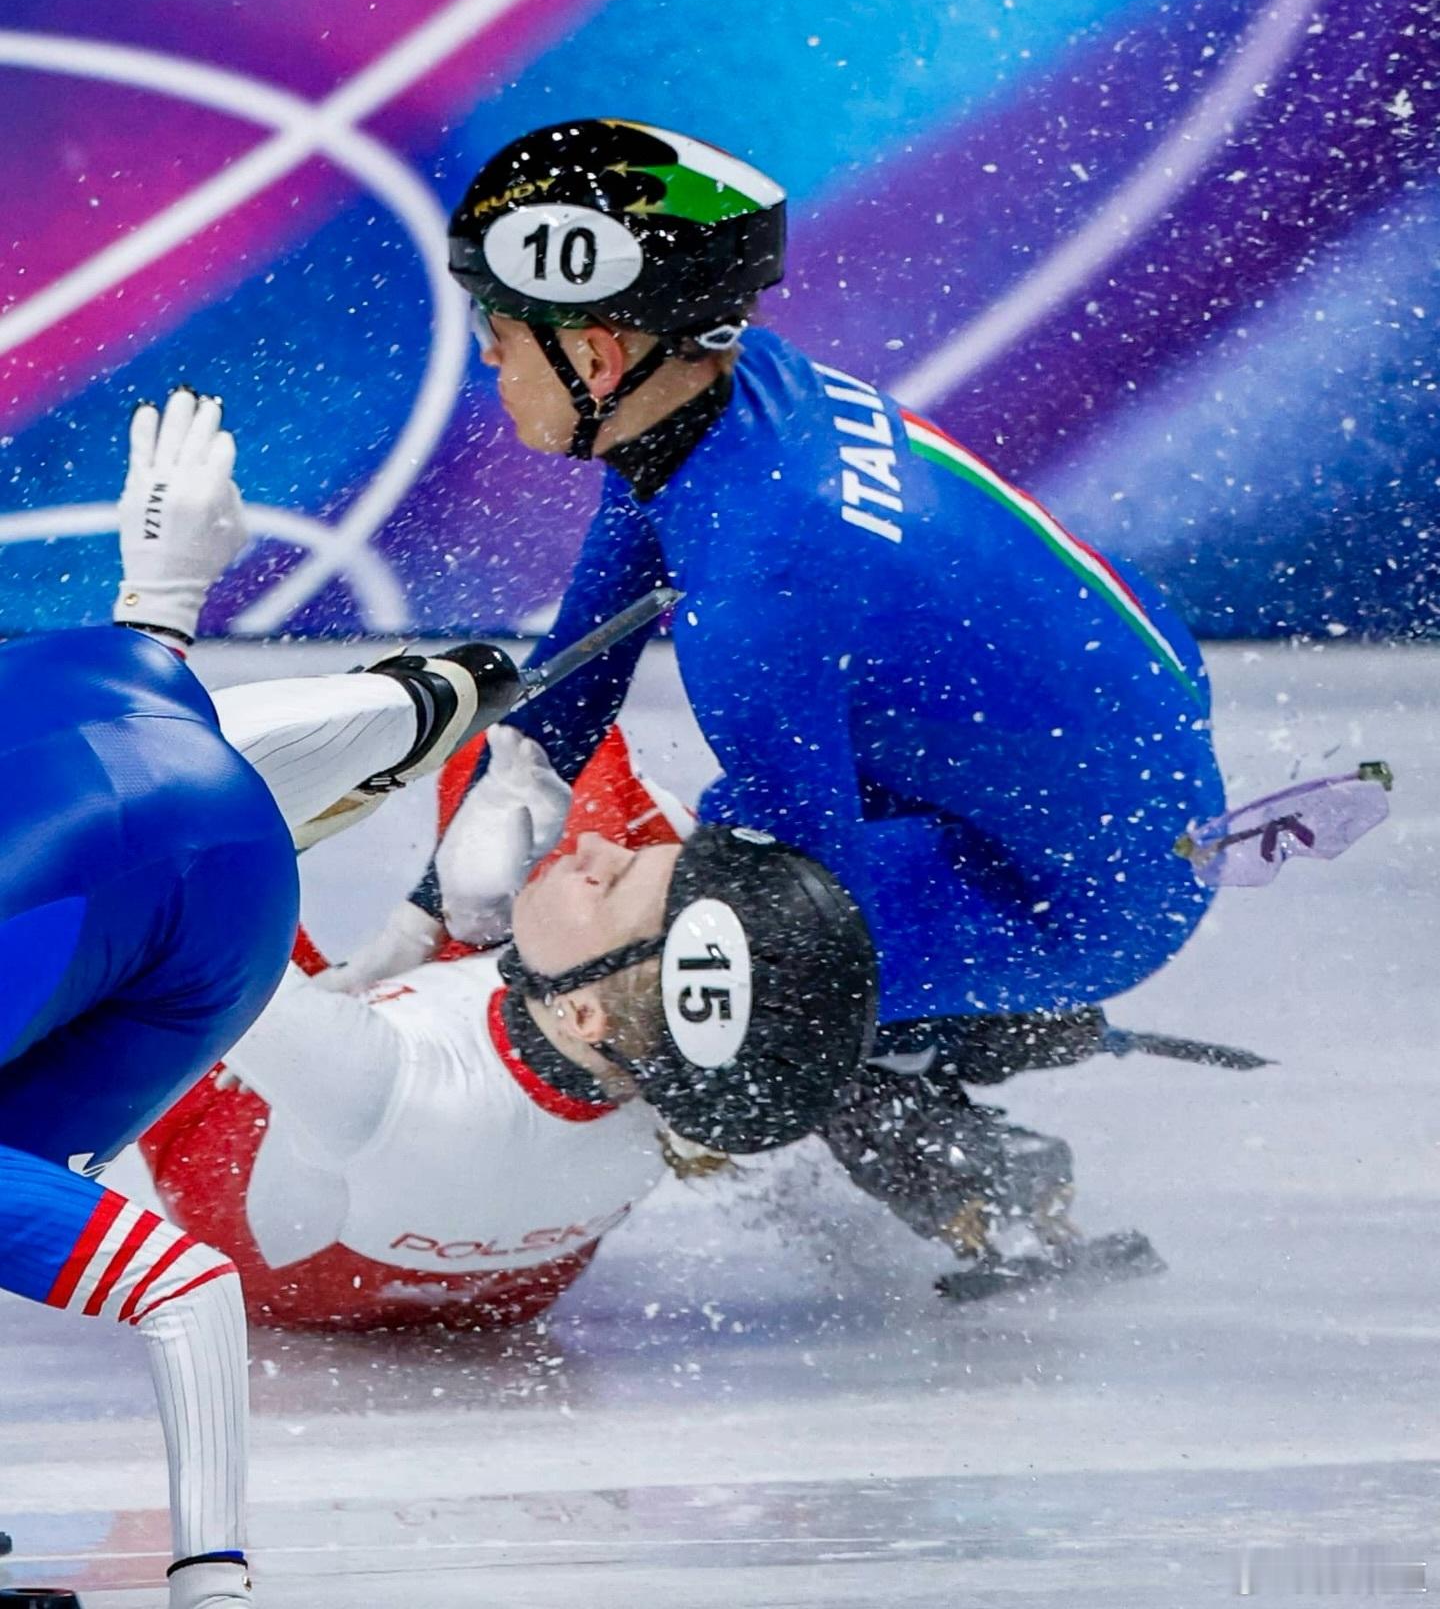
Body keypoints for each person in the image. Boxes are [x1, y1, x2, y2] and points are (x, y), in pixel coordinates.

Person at [336, 117, 1228, 1282]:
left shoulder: (756, 599)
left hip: (1075, 895)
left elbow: (796, 941)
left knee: (643, 983)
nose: (489, 367)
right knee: (669, 867)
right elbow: (579, 670)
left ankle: (948, 1136)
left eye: (499, 338)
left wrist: (549, 1021)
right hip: (1121, 785)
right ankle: (942, 1032)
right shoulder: (727, 406)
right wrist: (424, 909)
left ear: (596, 359)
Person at [0, 390, 551, 1608]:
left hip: (203, 879)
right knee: (152, 762)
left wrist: (212, 1581)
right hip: (90, 698)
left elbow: (190, 1288)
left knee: (170, 821)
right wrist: (161, 595)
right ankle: (421, 700)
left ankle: (416, 705)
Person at [143, 728, 701, 1332]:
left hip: (275, 1249)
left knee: (157, 856)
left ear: (585, 1013)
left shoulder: (384, 1079)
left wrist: (422, 917)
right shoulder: (693, 1066)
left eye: (608, 881)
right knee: (547, 763)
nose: (596, 847)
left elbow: (180, 905)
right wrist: (442, 919)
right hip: (517, 1285)